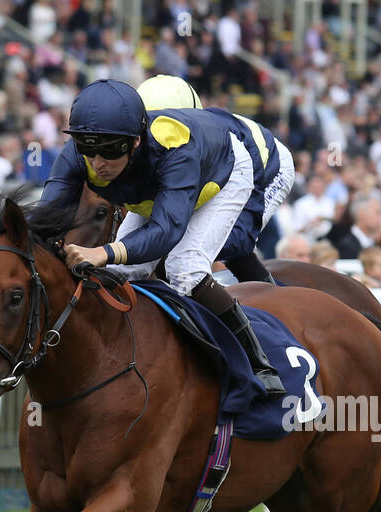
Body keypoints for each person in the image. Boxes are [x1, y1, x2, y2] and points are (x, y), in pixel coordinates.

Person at [44, 79, 285, 396]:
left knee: (186, 267)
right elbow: (46, 216)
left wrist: (103, 251)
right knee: (119, 271)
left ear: (135, 142)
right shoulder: (84, 150)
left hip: (234, 170)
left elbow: (167, 231)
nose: (97, 163)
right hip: (174, 174)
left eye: (109, 151)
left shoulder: (176, 147)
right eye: (89, 150)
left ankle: (258, 362)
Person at [134, 74, 296, 286]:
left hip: (268, 168)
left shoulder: (204, 144)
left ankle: (271, 307)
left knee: (226, 242)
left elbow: (239, 238)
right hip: (222, 167)